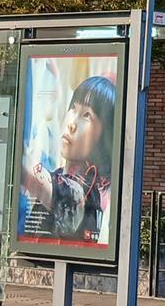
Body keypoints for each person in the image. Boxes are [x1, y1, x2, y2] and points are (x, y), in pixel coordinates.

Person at [20, 73, 116, 245]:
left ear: (105, 135)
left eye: (87, 115)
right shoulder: (59, 175)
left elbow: (25, 169)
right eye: (73, 108)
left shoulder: (87, 191)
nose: (72, 124)